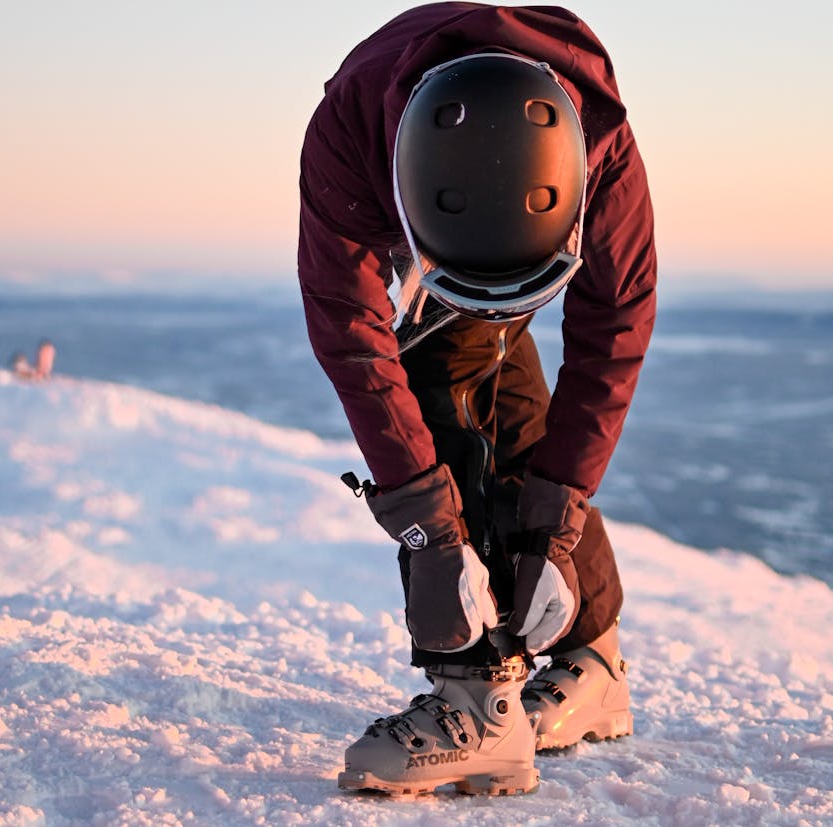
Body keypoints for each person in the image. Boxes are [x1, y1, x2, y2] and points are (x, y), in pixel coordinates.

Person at [298, 3, 656, 796]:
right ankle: (505, 675)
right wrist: (432, 534)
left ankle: (490, 702)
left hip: (502, 225)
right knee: (441, 365)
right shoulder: (348, 139)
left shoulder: (600, 149)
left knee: (487, 377)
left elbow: (615, 328)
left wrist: (555, 532)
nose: (496, 313)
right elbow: (355, 339)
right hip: (419, 227)